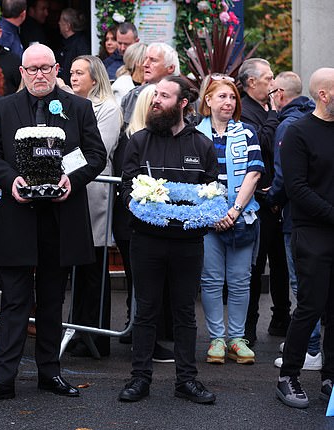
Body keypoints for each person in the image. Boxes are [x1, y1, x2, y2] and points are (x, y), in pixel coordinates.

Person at [0, 43, 106, 404]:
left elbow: (95, 155)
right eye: (33, 69)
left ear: (56, 69)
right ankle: (3, 380)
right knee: (14, 300)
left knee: (51, 300)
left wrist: (70, 181)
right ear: (22, 72)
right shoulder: (3, 108)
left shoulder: (78, 107)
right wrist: (10, 180)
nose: (40, 74)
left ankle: (50, 372)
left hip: (61, 218)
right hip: (18, 217)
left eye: (46, 68)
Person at [118, 76, 217, 404]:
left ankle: (186, 380)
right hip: (146, 241)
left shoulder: (201, 144)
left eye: (163, 96)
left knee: (185, 312)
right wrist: (146, 206)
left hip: (188, 243)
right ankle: (139, 379)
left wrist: (193, 214)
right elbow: (126, 188)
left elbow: (211, 192)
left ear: (183, 103)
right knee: (145, 311)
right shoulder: (139, 141)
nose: (155, 100)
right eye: (155, 95)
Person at [274, 67, 334, 409]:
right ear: (323, 94)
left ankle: (330, 376)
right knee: (310, 306)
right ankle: (289, 376)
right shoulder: (298, 132)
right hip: (311, 233)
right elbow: (296, 189)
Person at [196, 76, 264, 366]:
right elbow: (190, 177)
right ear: (208, 100)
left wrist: (234, 210)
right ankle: (216, 339)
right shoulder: (193, 134)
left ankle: (237, 339)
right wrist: (213, 214)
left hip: (241, 216)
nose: (228, 102)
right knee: (211, 281)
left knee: (240, 281)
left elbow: (255, 172)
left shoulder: (247, 132)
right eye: (222, 97)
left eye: (232, 98)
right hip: (206, 218)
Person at [67, 55, 122, 357]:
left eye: (79, 73)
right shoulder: (68, 105)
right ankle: (77, 329)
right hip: (72, 189)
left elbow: (98, 148)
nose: (73, 78)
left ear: (94, 77)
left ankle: (95, 334)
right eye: (71, 73)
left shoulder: (108, 108)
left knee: (95, 264)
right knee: (78, 262)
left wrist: (62, 161)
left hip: (95, 189)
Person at [267, 72, 321, 371]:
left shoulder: (289, 125)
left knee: (302, 285)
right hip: (315, 217)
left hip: (297, 220)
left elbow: (285, 176)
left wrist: (273, 200)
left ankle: (309, 348)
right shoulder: (310, 121)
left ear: (280, 94)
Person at [238, 58, 289, 346]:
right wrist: (272, 116)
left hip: (275, 198)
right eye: (268, 79)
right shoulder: (246, 111)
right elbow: (263, 144)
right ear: (251, 83)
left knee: (280, 262)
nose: (273, 84)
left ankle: (281, 317)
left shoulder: (269, 108)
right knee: (255, 267)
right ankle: (248, 327)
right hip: (257, 199)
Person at [111, 84, 155, 344]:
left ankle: (137, 329)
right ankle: (136, 329)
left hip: (145, 220)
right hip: (131, 221)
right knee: (137, 279)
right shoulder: (129, 139)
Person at [120, 42, 179, 125]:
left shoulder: (186, 98)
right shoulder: (132, 96)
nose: (145, 64)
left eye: (153, 60)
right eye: (145, 59)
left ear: (171, 68)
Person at [57, 8, 89, 86]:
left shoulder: (80, 45)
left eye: (61, 21)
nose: (58, 23)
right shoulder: (68, 43)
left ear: (68, 26)